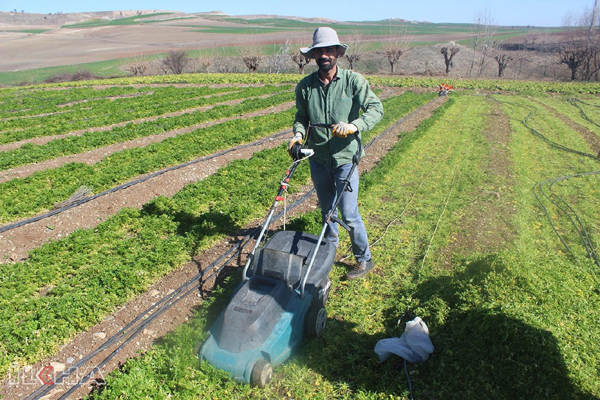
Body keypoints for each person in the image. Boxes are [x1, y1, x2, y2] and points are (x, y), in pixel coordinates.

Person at [289, 27, 384, 279]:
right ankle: (328, 255)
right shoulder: (305, 87)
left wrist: (355, 125)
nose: (324, 55)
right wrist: (298, 136)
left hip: (345, 159)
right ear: (314, 55)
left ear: (337, 53)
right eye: (319, 51)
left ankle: (364, 259)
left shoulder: (354, 81)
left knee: (349, 214)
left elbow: (376, 108)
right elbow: (301, 117)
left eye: (329, 50)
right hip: (318, 159)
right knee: (326, 211)